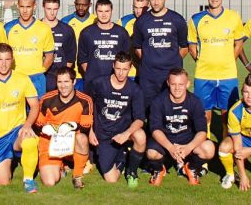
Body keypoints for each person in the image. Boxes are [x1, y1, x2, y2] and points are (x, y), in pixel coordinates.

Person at [0, 43, 40, 193]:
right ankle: (1, 166)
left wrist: (27, 125)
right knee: (3, 182)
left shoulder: (23, 79)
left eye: (7, 59)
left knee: (30, 140)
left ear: (12, 59)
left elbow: (35, 105)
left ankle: (28, 180)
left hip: (18, 131)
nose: (3, 64)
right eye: (0, 59)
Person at [188, 0, 246, 136]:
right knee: (204, 115)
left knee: (228, 115)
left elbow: (239, 43)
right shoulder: (196, 19)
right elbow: (192, 46)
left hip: (227, 75)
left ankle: (226, 145)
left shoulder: (233, 17)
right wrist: (201, 61)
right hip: (203, 75)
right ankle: (205, 143)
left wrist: (230, 60)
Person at [146, 68, 215, 186]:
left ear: (188, 84)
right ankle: (159, 169)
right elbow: (155, 129)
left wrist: (188, 147)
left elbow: (202, 131)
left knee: (209, 149)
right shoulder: (158, 101)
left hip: (187, 141)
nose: (177, 88)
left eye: (181, 84)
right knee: (151, 153)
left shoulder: (195, 101)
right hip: (166, 141)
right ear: (168, 83)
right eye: (173, 84)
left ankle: (191, 168)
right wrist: (170, 148)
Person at [89, 52, 146, 187]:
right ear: (113, 65)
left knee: (140, 136)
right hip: (104, 135)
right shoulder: (98, 83)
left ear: (130, 68)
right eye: (118, 68)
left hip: (124, 134)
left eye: (125, 69)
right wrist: (90, 131)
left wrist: (126, 134)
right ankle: (123, 156)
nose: (121, 73)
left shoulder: (135, 89)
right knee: (111, 179)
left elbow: (139, 119)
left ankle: (132, 172)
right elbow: (88, 108)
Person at [36, 67, 93, 189]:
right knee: (49, 182)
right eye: (59, 82)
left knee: (82, 138)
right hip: (50, 143)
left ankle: (77, 175)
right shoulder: (47, 99)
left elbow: (86, 127)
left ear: (74, 82)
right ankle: (61, 167)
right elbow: (38, 124)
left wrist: (72, 126)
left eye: (66, 81)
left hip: (72, 142)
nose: (63, 86)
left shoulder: (85, 100)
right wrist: (45, 129)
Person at [132, 0, 189, 104]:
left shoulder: (177, 19)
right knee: (149, 110)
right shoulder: (141, 21)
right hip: (148, 77)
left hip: (171, 75)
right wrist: (149, 61)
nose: (156, 2)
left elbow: (184, 47)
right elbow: (137, 48)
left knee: (170, 109)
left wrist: (172, 61)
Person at [5, 0, 55, 97]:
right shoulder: (8, 28)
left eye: (28, 7)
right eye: (22, 6)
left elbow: (49, 57)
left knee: (37, 108)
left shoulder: (44, 29)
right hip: (15, 79)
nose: (25, 10)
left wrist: (39, 72)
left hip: (36, 80)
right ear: (17, 6)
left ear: (34, 6)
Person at [77, 0, 130, 97]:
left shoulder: (121, 33)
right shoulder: (86, 33)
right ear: (95, 12)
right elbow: (82, 59)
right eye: (100, 11)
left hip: (115, 83)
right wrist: (92, 75)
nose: (104, 15)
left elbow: (126, 60)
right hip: (93, 83)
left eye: (107, 11)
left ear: (111, 11)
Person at [41, 0, 77, 92]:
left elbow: (70, 58)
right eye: (49, 9)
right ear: (43, 6)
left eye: (55, 9)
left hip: (59, 78)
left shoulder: (67, 30)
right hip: (41, 76)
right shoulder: (36, 28)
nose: (52, 12)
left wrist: (63, 78)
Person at [61, 0, 96, 91]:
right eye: (78, 4)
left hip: (91, 72)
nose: (80, 8)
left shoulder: (96, 20)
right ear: (74, 3)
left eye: (84, 5)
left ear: (90, 5)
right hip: (72, 73)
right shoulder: (65, 21)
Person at [118, 0, 149, 80]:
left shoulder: (153, 21)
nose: (138, 11)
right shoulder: (123, 22)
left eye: (141, 8)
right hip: (128, 73)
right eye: (135, 7)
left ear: (148, 7)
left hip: (148, 71)